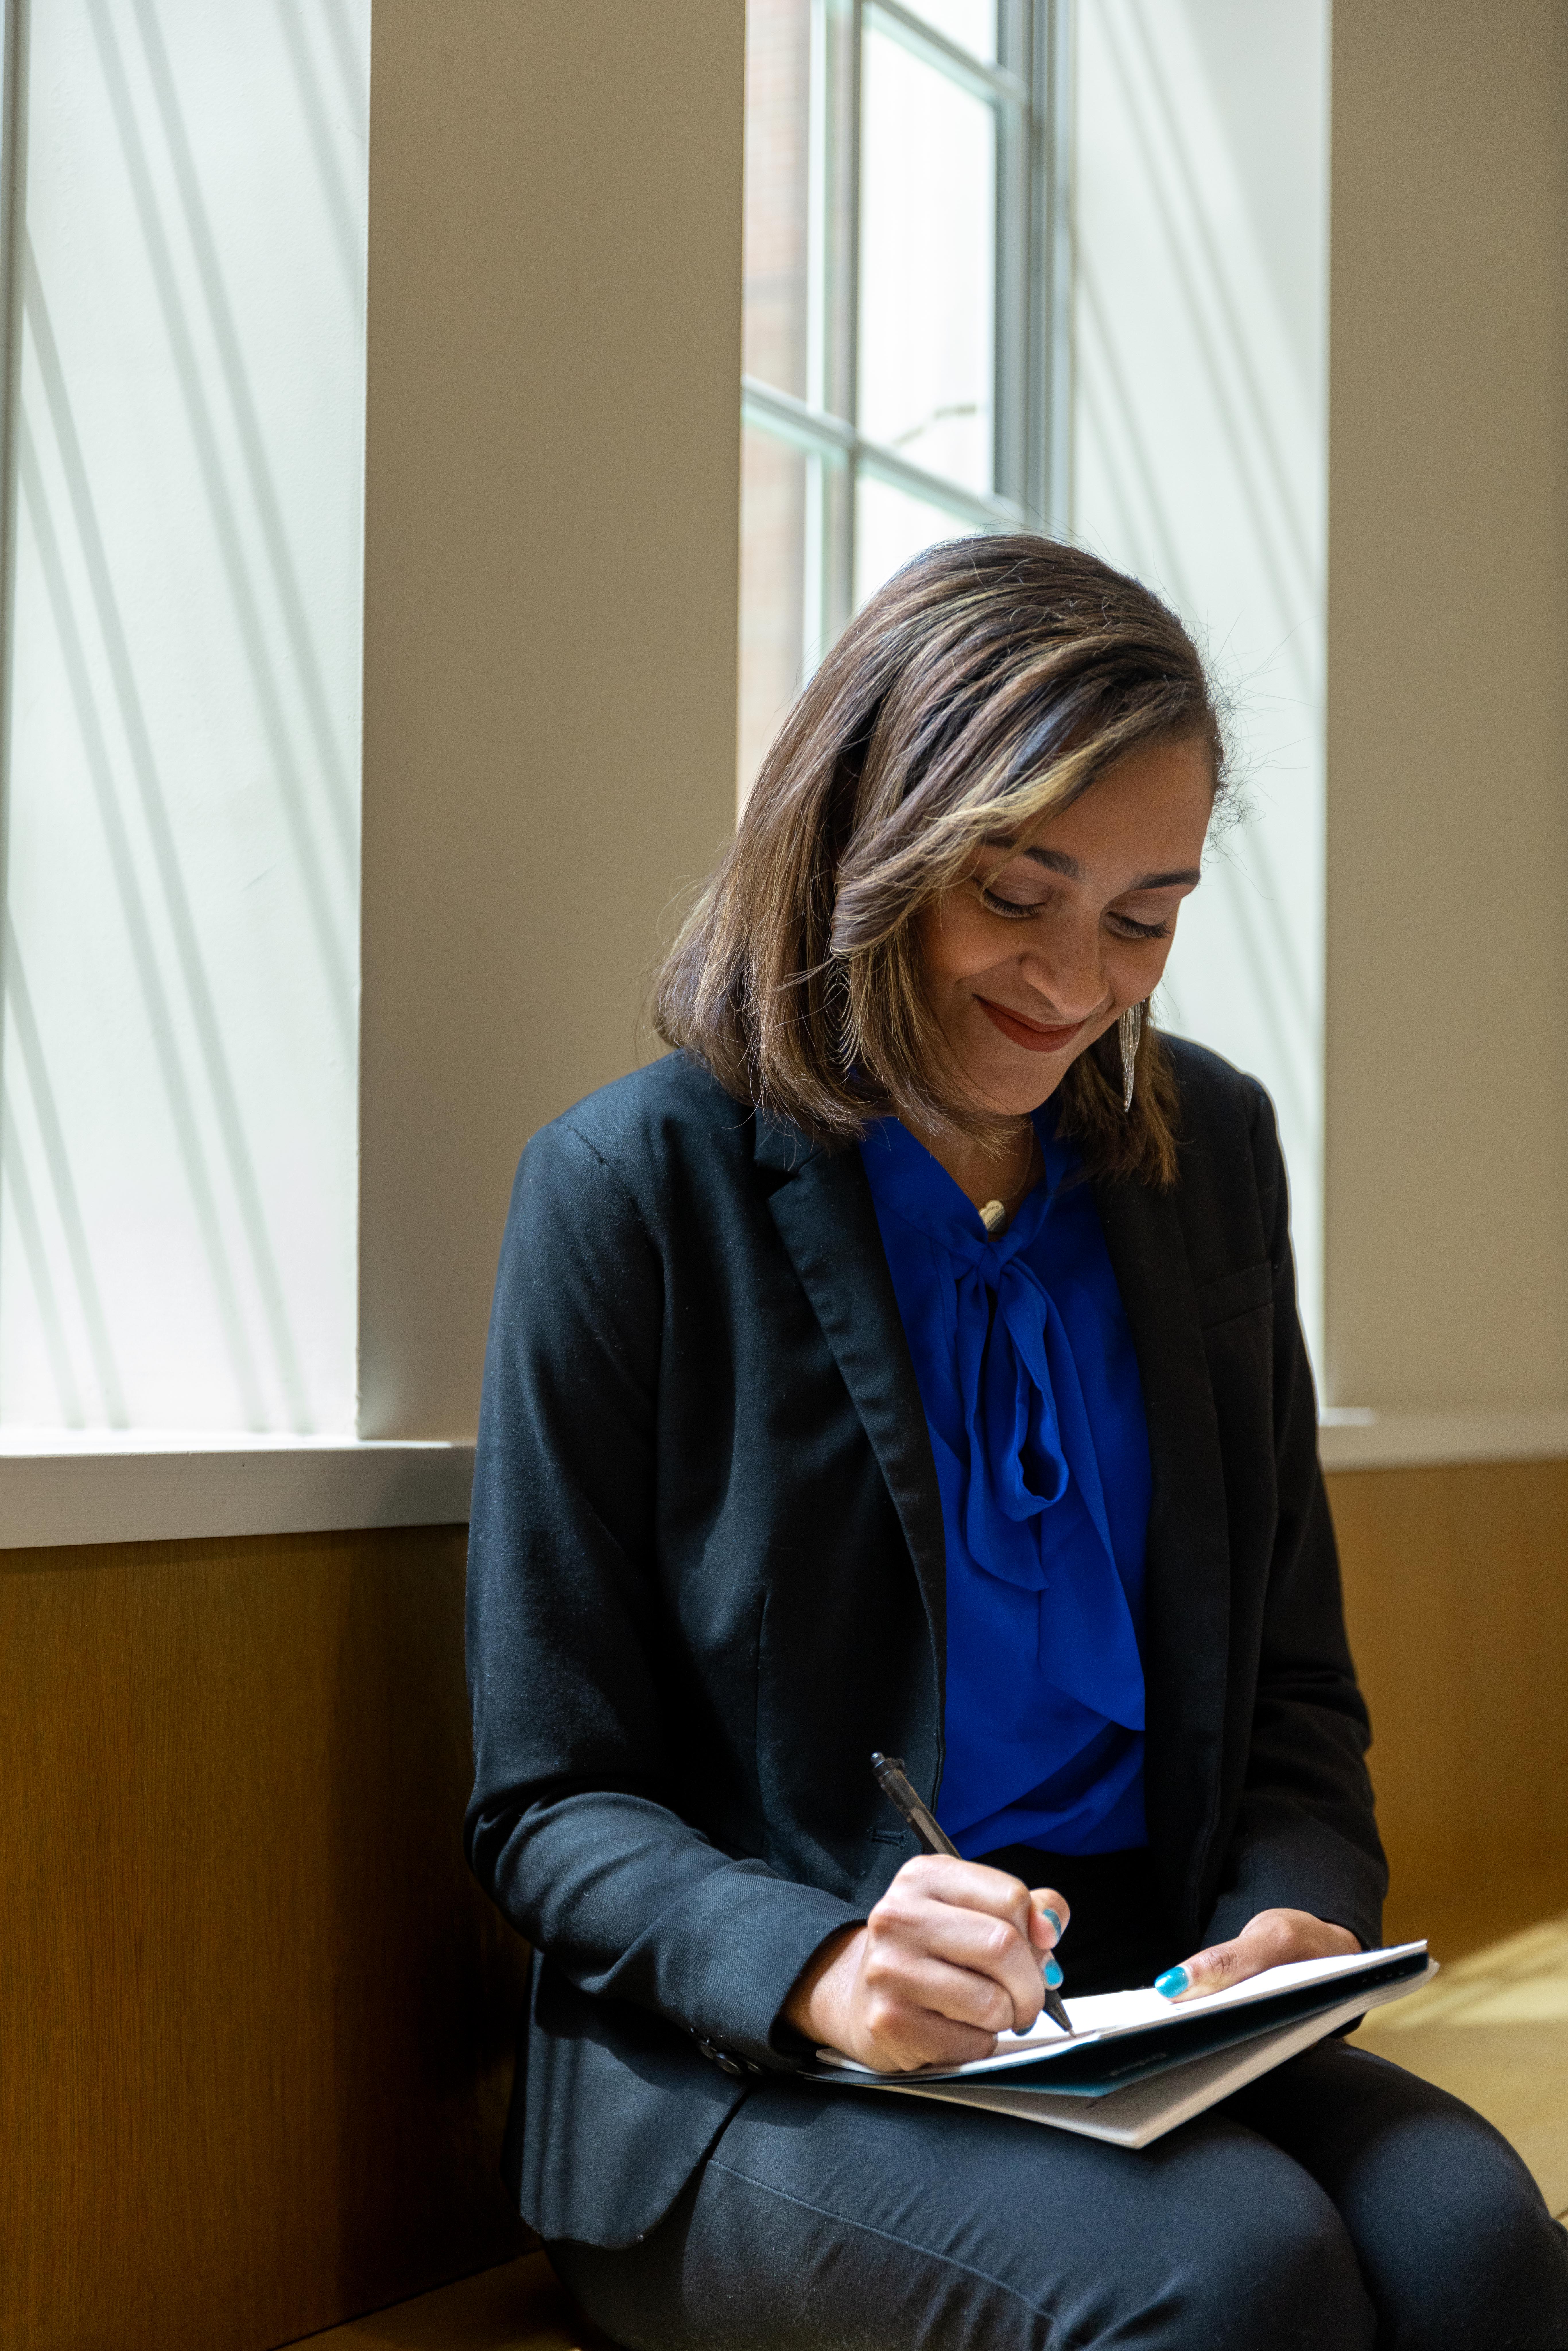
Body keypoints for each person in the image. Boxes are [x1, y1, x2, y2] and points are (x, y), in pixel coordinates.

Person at [464, 537, 1568, 2348]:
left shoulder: (1207, 1151)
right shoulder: (631, 1186)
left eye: (1143, 916)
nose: (1073, 982)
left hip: (1135, 2012)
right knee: (1231, 2283)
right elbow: (548, 1801)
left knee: (1480, 2249)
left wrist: (1294, 1914)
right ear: (863, 842)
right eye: (1012, 894)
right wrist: (824, 1968)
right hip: (755, 2072)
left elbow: (1291, 1691)